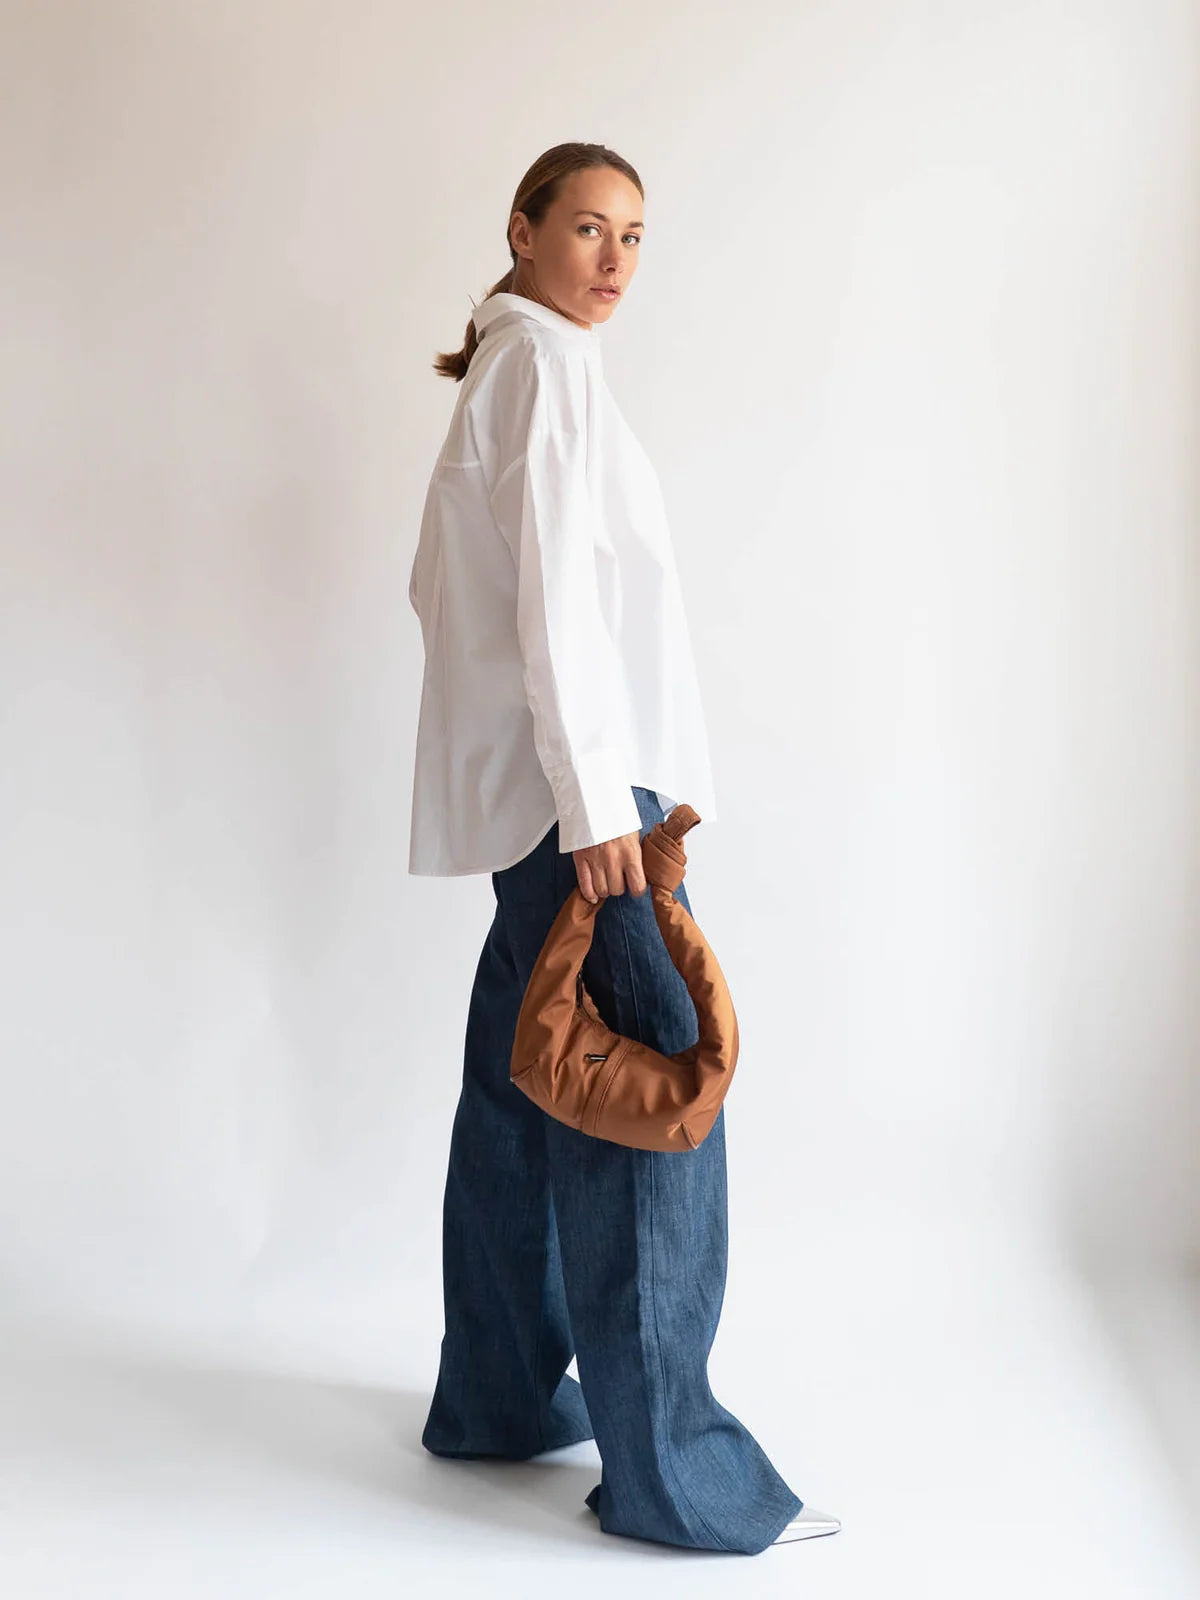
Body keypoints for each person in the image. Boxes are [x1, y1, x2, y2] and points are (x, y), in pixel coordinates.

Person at [406, 140, 841, 1555]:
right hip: (582, 800)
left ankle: (498, 1400)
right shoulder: (540, 367)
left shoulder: (508, 365)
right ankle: (677, 1480)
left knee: (520, 1089)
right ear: (522, 230)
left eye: (636, 236)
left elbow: (447, 591)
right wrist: (601, 800)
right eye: (589, 228)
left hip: (539, 797)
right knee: (652, 1104)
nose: (614, 260)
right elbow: (556, 601)